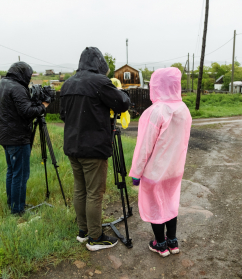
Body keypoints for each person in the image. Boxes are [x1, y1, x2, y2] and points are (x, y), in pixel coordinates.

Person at [60, 47, 131, 251]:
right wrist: (120, 93)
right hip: (93, 148)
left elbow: (63, 116)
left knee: (80, 189)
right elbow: (122, 104)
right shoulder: (99, 82)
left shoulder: (68, 83)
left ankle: (83, 232)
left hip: (73, 146)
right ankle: (96, 237)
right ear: (99, 63)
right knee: (95, 193)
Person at [129, 67, 192, 257]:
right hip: (175, 169)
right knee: (171, 203)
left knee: (156, 205)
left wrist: (136, 172)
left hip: (155, 171)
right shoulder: (183, 109)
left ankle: (160, 243)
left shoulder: (155, 112)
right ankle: (173, 241)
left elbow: (144, 147)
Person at [0, 62, 49, 216]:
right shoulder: (17, 87)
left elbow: (17, 107)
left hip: (5, 135)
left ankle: (13, 203)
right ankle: (18, 210)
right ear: (22, 74)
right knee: (21, 174)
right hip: (17, 137)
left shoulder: (4, 83)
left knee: (12, 171)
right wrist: (44, 105)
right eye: (29, 75)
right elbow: (27, 112)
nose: (29, 78)